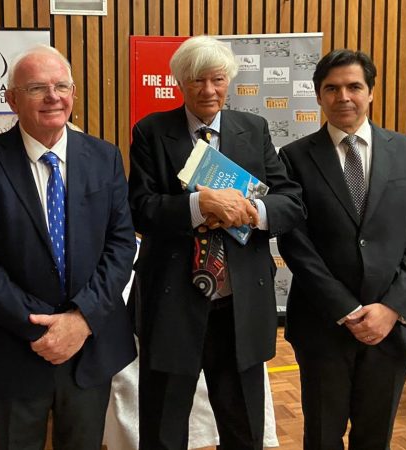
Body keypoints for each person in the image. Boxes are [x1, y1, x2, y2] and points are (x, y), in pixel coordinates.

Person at [0, 45, 136, 450]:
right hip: (14, 349)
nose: (53, 96)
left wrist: (81, 319)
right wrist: (37, 328)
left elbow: (121, 245)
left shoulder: (104, 157)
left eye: (61, 86)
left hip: (90, 347)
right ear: (12, 99)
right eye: (37, 88)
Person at [128, 35, 305, 449]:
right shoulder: (152, 132)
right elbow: (139, 207)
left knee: (243, 426)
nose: (208, 91)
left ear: (229, 82)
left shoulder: (254, 128)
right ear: (178, 83)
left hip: (238, 306)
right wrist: (197, 205)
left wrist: (255, 213)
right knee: (163, 429)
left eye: (217, 79)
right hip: (173, 303)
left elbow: (290, 202)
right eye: (196, 81)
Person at [278, 49, 406, 449]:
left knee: (375, 437)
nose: (344, 97)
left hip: (392, 328)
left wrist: (390, 308)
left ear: (370, 93)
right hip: (324, 325)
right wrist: (345, 309)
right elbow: (295, 241)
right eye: (331, 88)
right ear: (318, 96)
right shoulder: (294, 158)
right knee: (321, 435)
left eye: (354, 86)